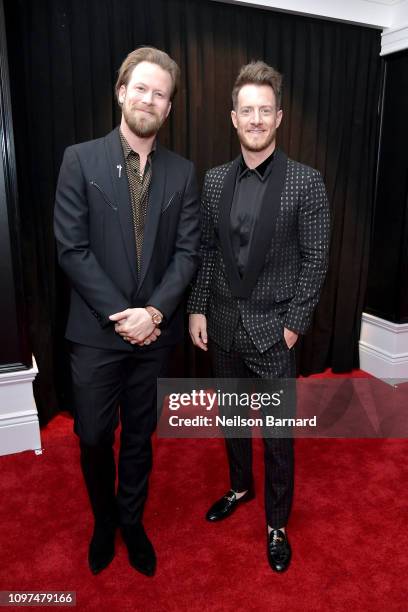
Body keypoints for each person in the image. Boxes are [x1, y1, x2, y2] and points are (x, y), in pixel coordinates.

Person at [54, 47, 200, 576]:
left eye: (160, 94)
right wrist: (126, 315)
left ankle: (132, 521)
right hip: (96, 334)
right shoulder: (80, 159)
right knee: (93, 435)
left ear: (168, 108)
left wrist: (155, 314)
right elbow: (71, 249)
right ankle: (104, 519)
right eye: (141, 88)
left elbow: (188, 253)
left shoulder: (183, 173)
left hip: (154, 338)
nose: (149, 99)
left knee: (141, 435)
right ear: (121, 91)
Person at [188, 61, 330, 572]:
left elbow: (316, 259)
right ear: (232, 117)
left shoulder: (306, 183)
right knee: (231, 420)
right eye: (246, 110)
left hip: (275, 333)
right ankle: (239, 487)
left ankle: (276, 522)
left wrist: (294, 322)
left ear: (279, 117)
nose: (255, 119)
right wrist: (198, 307)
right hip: (222, 327)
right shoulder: (214, 180)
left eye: (263, 110)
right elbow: (206, 249)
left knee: (276, 435)